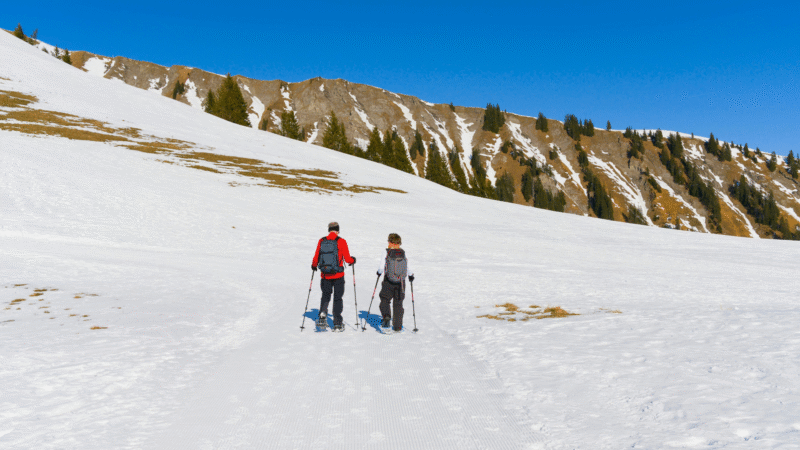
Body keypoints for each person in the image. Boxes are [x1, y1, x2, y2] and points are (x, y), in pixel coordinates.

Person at [311, 222, 355, 330]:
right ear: (338, 230)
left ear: (329, 230)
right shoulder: (341, 241)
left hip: (325, 275)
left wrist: (314, 265)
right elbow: (347, 259)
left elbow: (317, 255)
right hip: (338, 275)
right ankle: (337, 323)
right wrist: (353, 260)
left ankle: (322, 314)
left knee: (325, 295)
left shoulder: (322, 240)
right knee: (337, 298)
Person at [376, 233, 414, 332]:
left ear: (391, 242)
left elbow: (381, 267)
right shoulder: (403, 252)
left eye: (389, 241)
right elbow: (408, 267)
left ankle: (387, 317)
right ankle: (398, 326)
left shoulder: (386, 252)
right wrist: (410, 276)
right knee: (398, 303)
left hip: (388, 281)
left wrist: (379, 273)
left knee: (384, 299)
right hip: (401, 282)